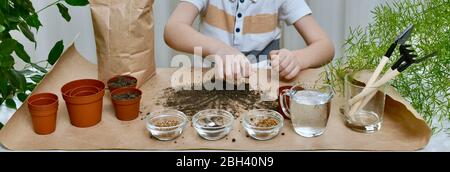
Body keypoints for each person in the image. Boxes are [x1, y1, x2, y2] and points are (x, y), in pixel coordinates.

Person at [164, 0, 334, 80]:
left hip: (262, 83)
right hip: (209, 80)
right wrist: (219, 49)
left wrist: (298, 59)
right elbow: (173, 30)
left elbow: (325, 46)